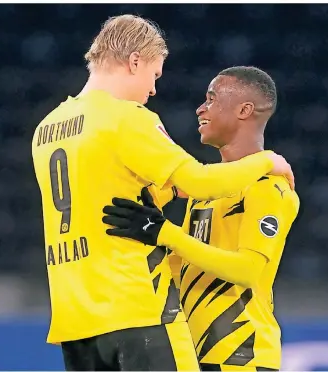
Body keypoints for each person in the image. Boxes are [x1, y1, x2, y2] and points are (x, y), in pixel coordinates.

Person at [32, 12, 294, 371]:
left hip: (74, 318)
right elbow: (199, 180)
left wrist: (164, 211)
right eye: (154, 75)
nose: (153, 90)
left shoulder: (46, 129)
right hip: (137, 307)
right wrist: (267, 161)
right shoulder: (128, 118)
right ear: (135, 61)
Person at [103, 66, 300, 371]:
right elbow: (183, 264)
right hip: (194, 354)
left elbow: (248, 270)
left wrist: (165, 233)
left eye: (211, 98)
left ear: (244, 110)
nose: (200, 108)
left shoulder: (268, 188)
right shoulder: (204, 189)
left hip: (242, 355)